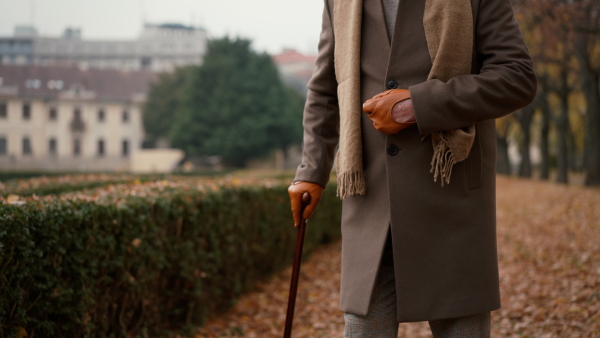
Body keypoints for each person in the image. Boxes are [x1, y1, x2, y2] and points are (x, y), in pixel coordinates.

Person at [288, 0, 536, 336]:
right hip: (369, 203)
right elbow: (325, 89)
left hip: (452, 198)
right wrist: (311, 171)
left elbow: (517, 77)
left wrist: (417, 105)